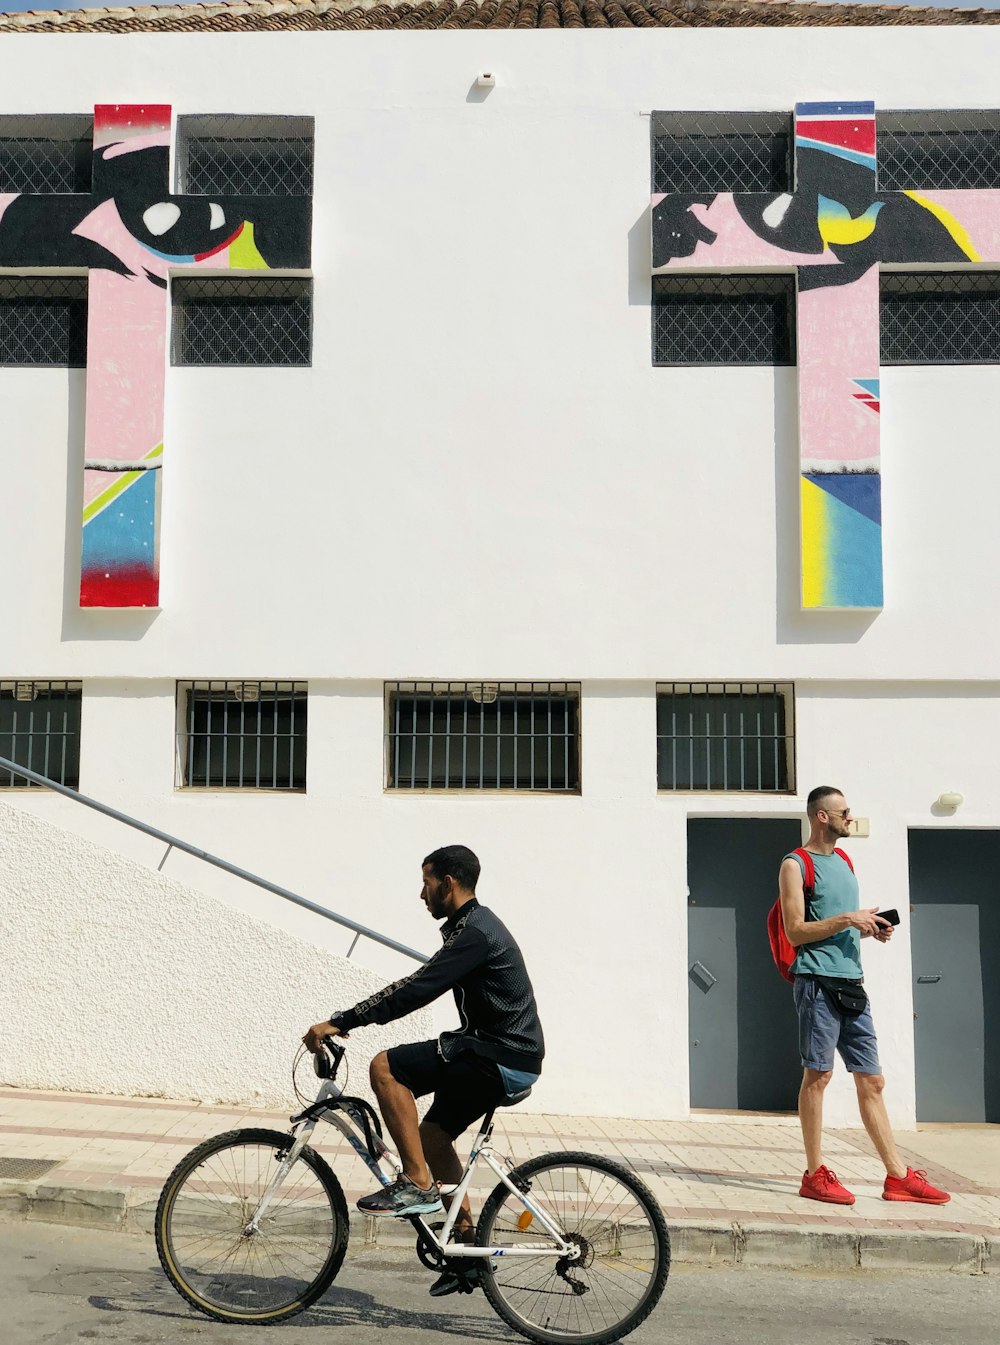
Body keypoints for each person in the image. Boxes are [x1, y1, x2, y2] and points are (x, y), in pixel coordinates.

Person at [303, 843, 544, 1295]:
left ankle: (416, 1182)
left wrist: (341, 1021)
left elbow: (416, 989)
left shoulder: (475, 932)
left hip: (499, 1056)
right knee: (433, 1137)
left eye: (426, 883)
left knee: (385, 1068)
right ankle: (466, 1247)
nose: (421, 895)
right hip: (503, 1055)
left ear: (448, 884)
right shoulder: (470, 927)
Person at [779, 786, 950, 1207]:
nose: (849, 818)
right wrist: (846, 919)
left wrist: (869, 925)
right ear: (822, 817)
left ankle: (897, 1178)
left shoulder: (845, 861)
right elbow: (795, 931)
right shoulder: (794, 864)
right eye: (844, 812)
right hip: (816, 982)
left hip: (852, 983)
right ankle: (814, 1173)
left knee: (872, 1080)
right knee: (817, 1077)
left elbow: (840, 924)